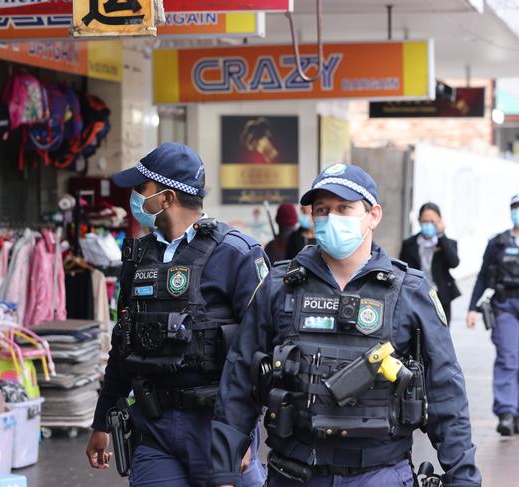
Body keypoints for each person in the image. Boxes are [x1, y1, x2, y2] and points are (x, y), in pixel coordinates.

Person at [211, 163, 481, 487]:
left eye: (344, 208)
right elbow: (240, 376)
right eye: (322, 209)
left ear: (373, 215)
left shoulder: (409, 292)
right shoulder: (279, 286)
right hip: (294, 473)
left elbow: (445, 392)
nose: (331, 218)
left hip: (379, 475)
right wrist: (224, 468)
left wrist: (462, 477)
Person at [85, 142, 267, 487]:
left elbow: (261, 352)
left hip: (216, 426)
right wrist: (102, 421)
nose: (135, 197)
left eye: (142, 189)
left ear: (166, 198)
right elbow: (122, 345)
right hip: (154, 427)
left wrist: (242, 433)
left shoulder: (237, 255)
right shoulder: (138, 258)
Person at [467, 192, 519, 436]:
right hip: (505, 305)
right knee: (508, 358)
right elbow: (482, 276)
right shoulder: (498, 242)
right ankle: (507, 412)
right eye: (516, 207)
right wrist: (472, 308)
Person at [399, 202, 460, 325]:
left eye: (432, 221)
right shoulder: (409, 244)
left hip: (441, 296)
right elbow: (403, 270)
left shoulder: (447, 243)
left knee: (441, 331)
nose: (428, 225)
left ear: (439, 221)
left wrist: (442, 235)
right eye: (425, 221)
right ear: (419, 221)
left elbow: (454, 263)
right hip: (416, 295)